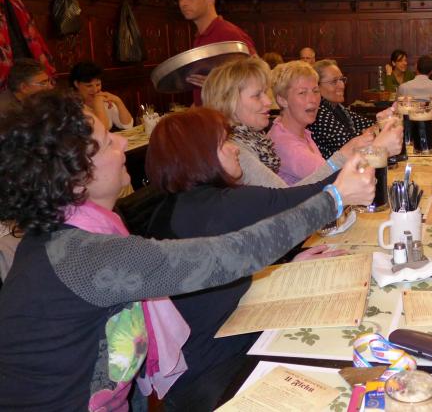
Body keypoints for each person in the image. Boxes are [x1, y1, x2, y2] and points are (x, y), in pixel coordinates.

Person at [0, 90, 374, 410]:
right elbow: (231, 254)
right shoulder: (85, 254)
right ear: (75, 178)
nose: (122, 142)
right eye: (107, 141)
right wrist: (334, 198)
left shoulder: (66, 237)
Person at [144, 107, 346, 411]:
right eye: (223, 142)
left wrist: (284, 269)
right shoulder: (225, 206)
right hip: (215, 371)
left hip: (188, 369)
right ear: (200, 156)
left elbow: (218, 283)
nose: (235, 148)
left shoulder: (174, 208)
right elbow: (312, 197)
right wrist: (365, 157)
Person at [202, 57, 367, 188]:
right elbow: (284, 200)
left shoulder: (256, 142)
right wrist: (343, 156)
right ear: (229, 102)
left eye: (315, 91)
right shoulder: (237, 150)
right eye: (257, 95)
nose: (268, 101)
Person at [176, 0, 257, 105]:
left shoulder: (230, 34)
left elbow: (258, 79)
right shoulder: (199, 37)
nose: (183, 3)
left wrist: (218, 85)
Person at [308, 59, 401, 160]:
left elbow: (368, 125)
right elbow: (352, 144)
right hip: (337, 170)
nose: (342, 85)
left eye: (342, 79)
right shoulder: (318, 113)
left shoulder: (339, 108)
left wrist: (382, 122)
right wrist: (373, 130)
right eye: (334, 81)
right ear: (316, 86)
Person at [69, 61, 133, 130]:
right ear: (76, 84)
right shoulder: (72, 105)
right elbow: (100, 131)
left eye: (98, 84)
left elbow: (127, 125)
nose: (95, 90)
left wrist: (117, 101)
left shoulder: (104, 100)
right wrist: (98, 103)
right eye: (89, 86)